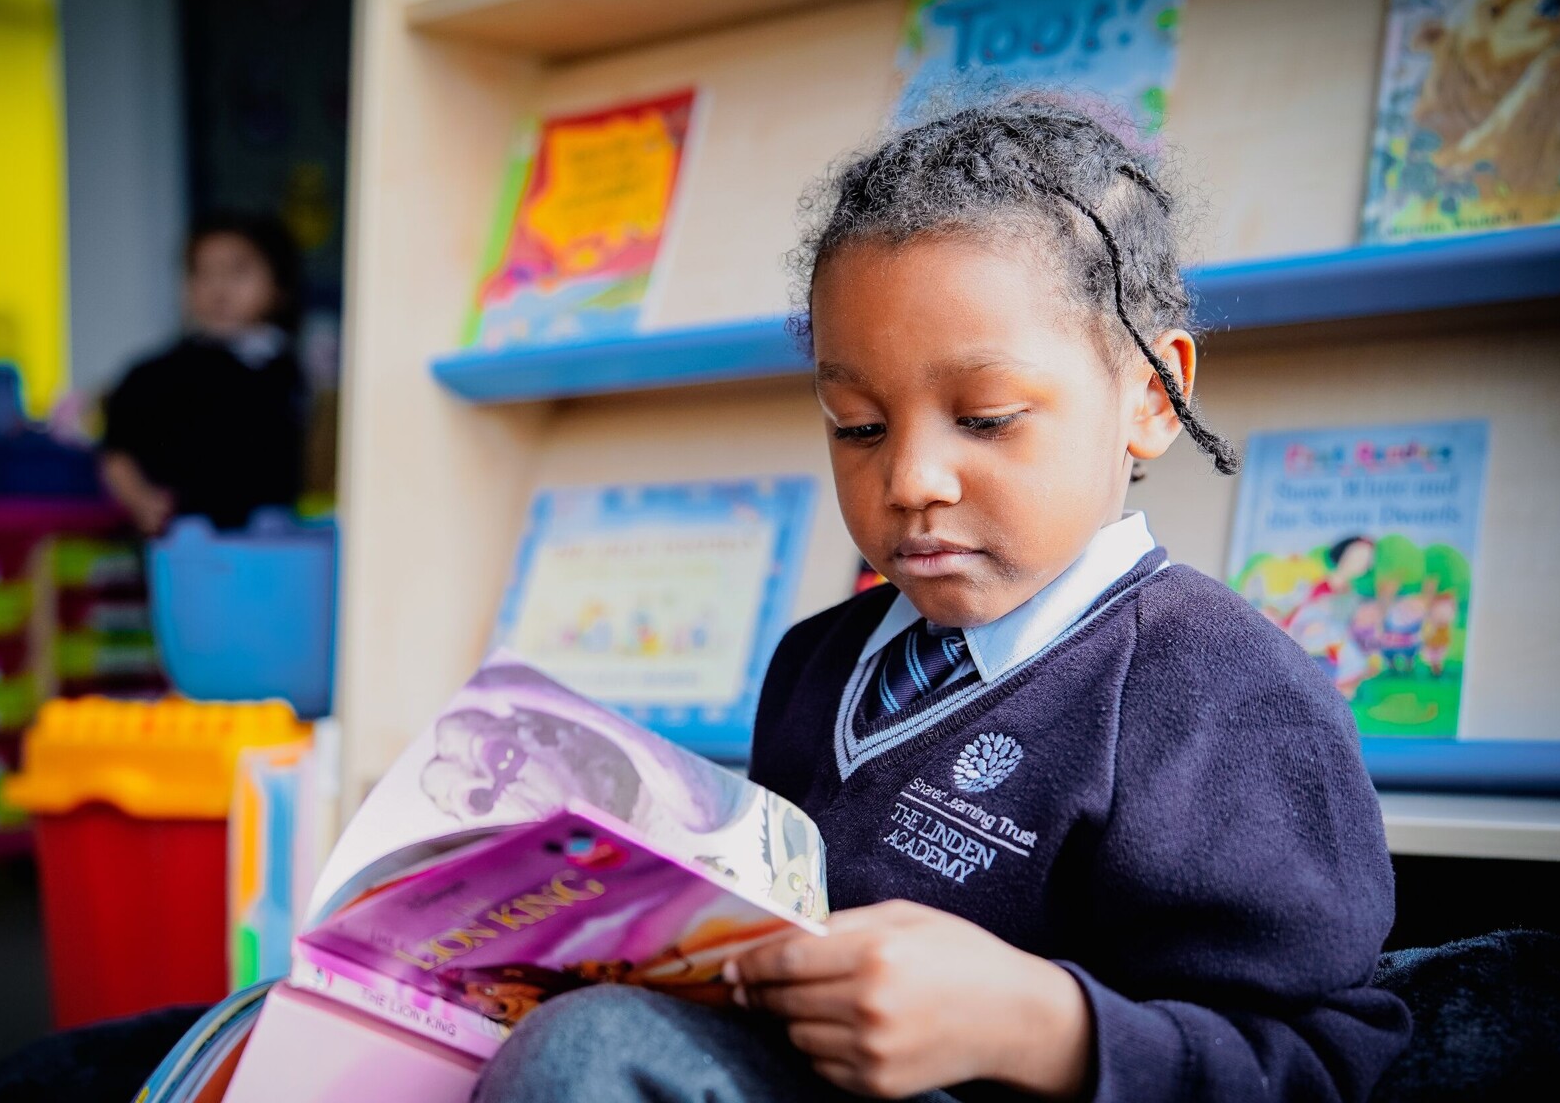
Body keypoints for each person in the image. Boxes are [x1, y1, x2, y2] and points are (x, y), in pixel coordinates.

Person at [472, 97, 1410, 1102]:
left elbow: (1329, 1067)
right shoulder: (813, 663)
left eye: (986, 418)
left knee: (584, 1056)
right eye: (858, 426)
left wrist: (1037, 1027)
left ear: (1149, 397)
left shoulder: (1225, 694)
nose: (911, 478)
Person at [100, 213, 305, 534]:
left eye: (237, 272)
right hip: (188, 533)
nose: (218, 289)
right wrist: (140, 500)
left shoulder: (285, 367)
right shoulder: (159, 373)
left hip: (273, 533)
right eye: (202, 274)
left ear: (279, 285)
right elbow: (117, 450)